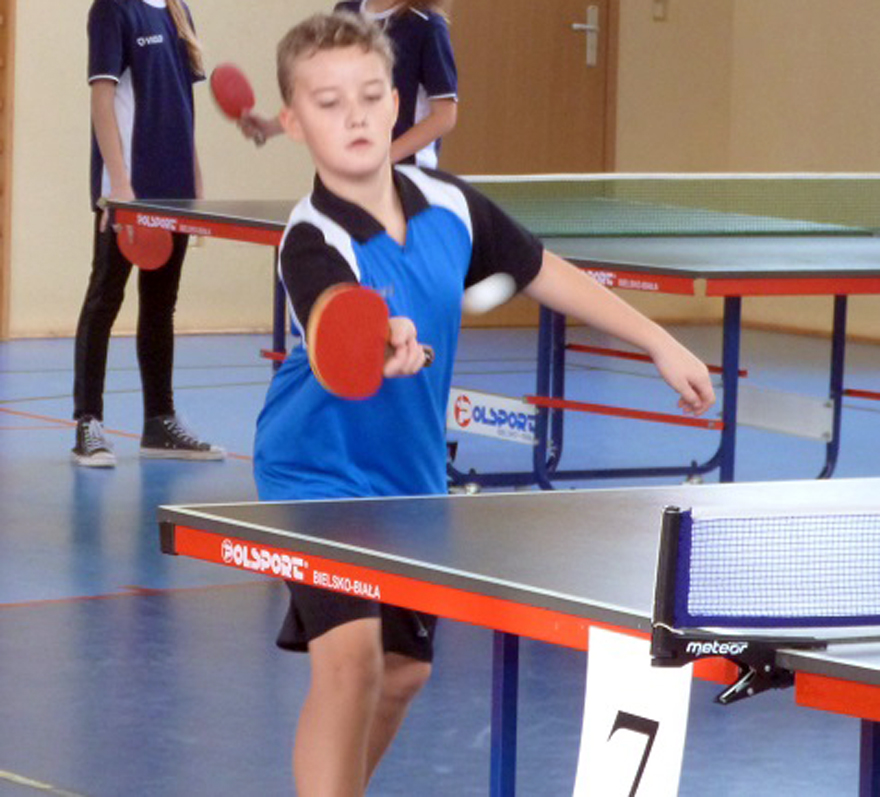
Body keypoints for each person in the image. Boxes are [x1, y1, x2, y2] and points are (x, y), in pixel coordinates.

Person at [254, 12, 716, 795]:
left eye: (370, 94)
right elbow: (330, 310)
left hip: (408, 476)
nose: (354, 115)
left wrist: (657, 339)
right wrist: (379, 337)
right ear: (295, 123)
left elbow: (542, 269)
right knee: (351, 662)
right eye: (328, 103)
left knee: (402, 670)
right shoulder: (311, 235)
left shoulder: (451, 204)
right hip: (316, 473)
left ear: (397, 104)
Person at [72, 0, 225, 467]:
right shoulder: (111, 10)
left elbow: (181, 107)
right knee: (105, 297)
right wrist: (119, 186)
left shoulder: (178, 10)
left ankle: (159, 421)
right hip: (129, 190)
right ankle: (88, 423)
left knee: (161, 305)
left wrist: (194, 179)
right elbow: (102, 100)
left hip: (172, 189)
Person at [240, 1, 458, 167]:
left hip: (405, 173)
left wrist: (383, 159)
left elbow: (444, 117)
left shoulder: (427, 27)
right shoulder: (346, 11)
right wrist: (273, 127)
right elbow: (330, 93)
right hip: (346, 169)